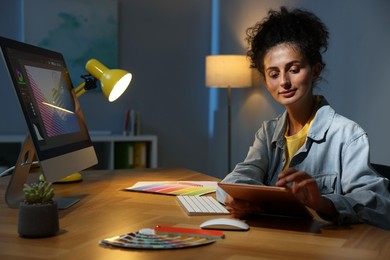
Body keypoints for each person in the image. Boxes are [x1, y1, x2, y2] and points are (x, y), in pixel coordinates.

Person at [217, 6, 390, 230]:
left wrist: (322, 203)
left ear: (315, 71)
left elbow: (380, 208)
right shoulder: (268, 131)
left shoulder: (347, 134)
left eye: (294, 69)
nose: (284, 82)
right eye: (274, 74)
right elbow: (240, 176)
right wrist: (241, 198)